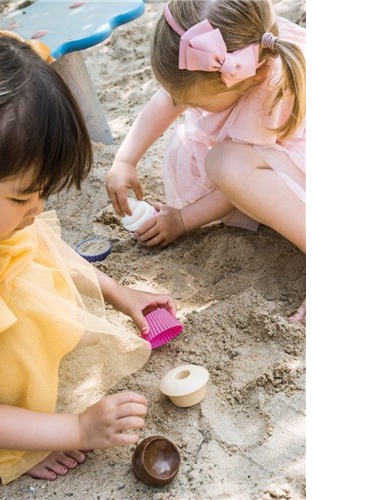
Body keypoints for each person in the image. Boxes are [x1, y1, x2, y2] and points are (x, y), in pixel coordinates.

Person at [0, 33, 177, 485]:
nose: (38, 208)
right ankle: (19, 440)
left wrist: (120, 293)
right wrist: (76, 429)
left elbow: (42, 248)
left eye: (43, 192)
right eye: (22, 197)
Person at [105, 0, 306, 322]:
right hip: (262, 150)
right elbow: (171, 97)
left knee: (224, 163)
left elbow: (233, 180)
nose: (186, 106)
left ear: (253, 77)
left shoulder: (268, 90)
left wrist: (182, 220)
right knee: (218, 157)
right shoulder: (251, 45)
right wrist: (125, 160)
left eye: (195, 102)